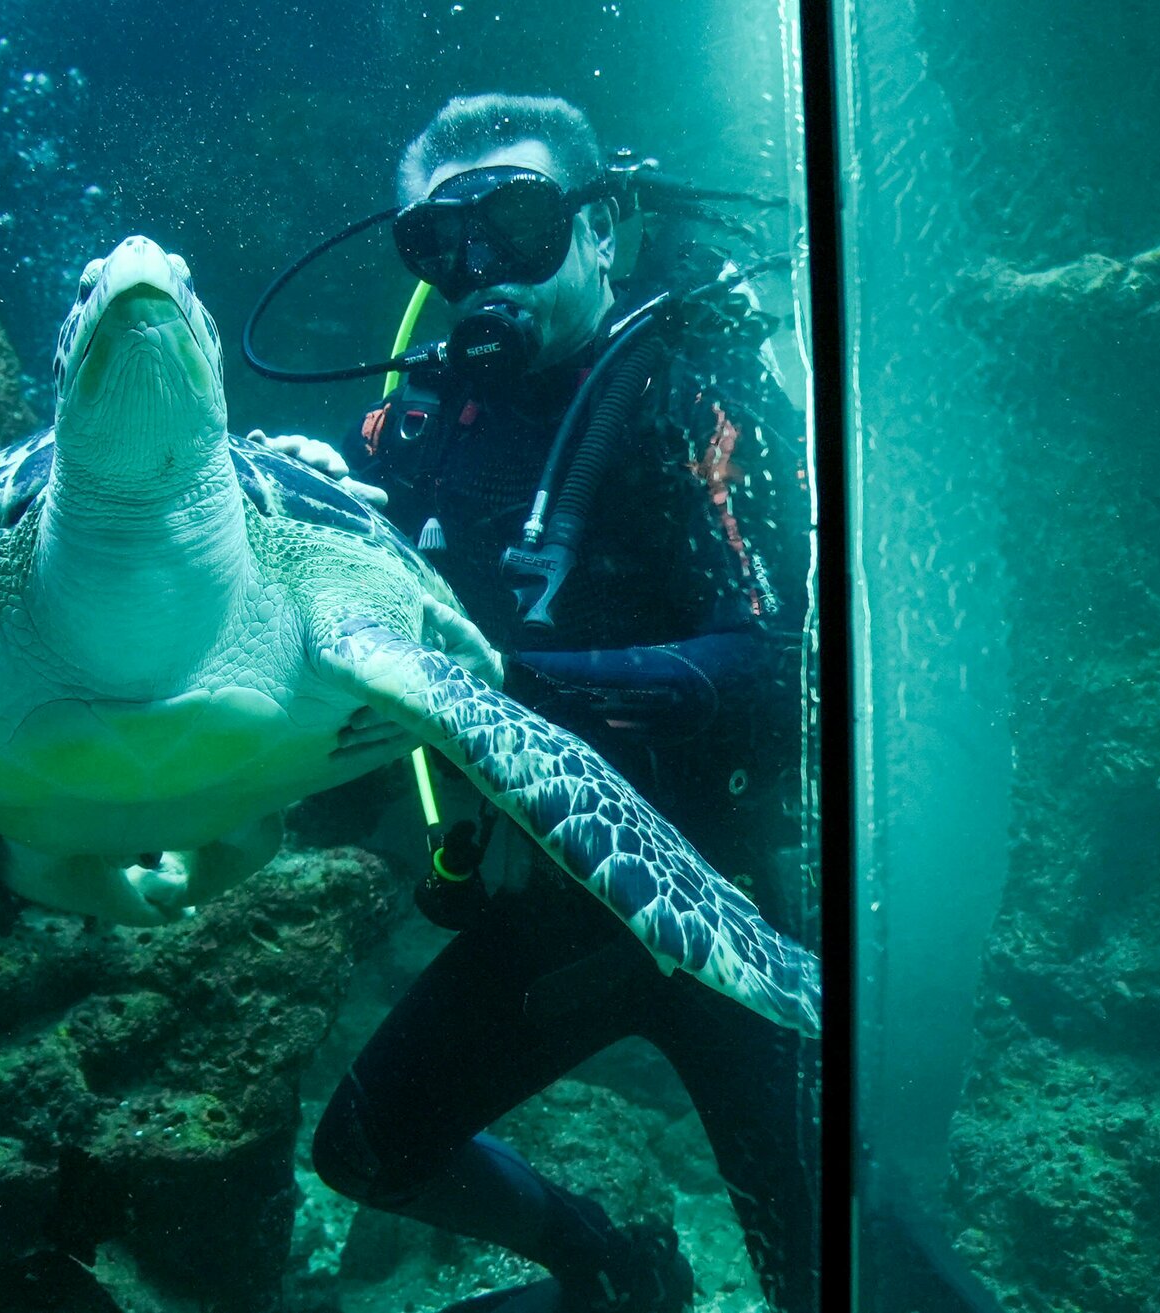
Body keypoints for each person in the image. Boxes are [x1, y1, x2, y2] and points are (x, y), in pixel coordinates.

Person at [298, 95, 818, 1312]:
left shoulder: (693, 390)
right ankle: (613, 1265)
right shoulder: (416, 428)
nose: (482, 274)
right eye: (444, 244)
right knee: (364, 1152)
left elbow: (770, 659)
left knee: (821, 1259)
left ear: (599, 234)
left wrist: (506, 687)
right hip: (542, 915)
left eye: (518, 227)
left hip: (727, 903)